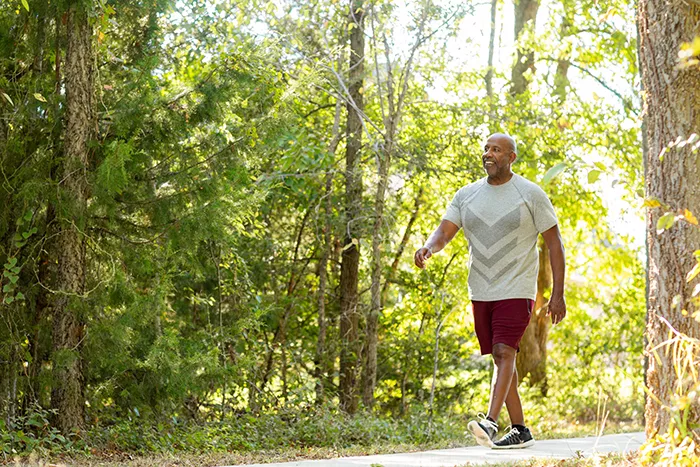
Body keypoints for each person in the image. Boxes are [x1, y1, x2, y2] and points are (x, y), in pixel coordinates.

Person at [414, 133, 566, 449]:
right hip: (481, 288)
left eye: (496, 150)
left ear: (511, 157)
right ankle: (521, 429)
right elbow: (444, 231)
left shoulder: (530, 194)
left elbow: (554, 243)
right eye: (485, 149)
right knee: (500, 359)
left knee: (503, 351)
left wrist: (557, 295)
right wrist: (429, 247)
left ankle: (491, 421)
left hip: (517, 286)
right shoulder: (467, 195)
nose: (488, 154)